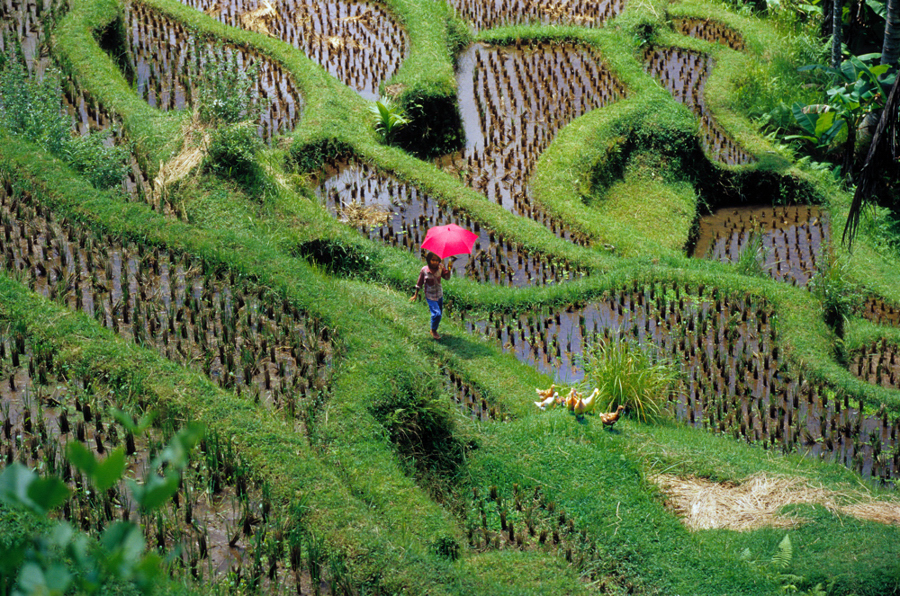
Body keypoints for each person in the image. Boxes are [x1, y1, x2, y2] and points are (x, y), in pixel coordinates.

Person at [410, 251, 451, 339]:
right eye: (433, 260)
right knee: (437, 314)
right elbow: (419, 283)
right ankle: (433, 330)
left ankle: (434, 328)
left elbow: (447, 278)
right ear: (429, 260)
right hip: (430, 296)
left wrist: (449, 270)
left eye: (437, 260)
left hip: (439, 294)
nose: (435, 262)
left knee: (439, 314)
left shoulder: (441, 268)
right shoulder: (424, 270)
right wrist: (415, 295)